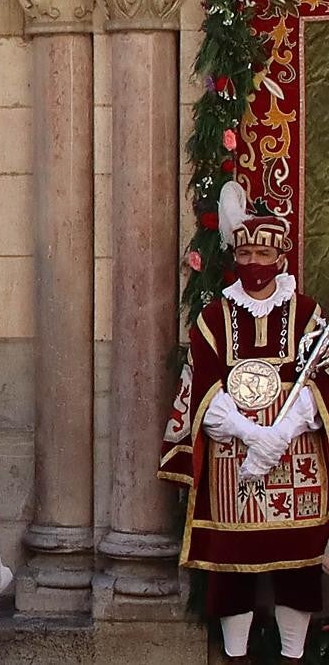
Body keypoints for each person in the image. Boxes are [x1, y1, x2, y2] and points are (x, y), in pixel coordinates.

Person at [160, 216, 329, 664]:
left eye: (263, 254)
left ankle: (294, 656)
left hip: (297, 457)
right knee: (231, 563)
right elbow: (205, 387)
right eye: (245, 254)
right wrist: (255, 435)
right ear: (234, 257)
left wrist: (282, 433)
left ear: (281, 258)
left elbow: (319, 381)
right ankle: (235, 658)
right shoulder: (214, 316)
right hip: (234, 458)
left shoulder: (308, 312)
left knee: (299, 561)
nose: (254, 263)